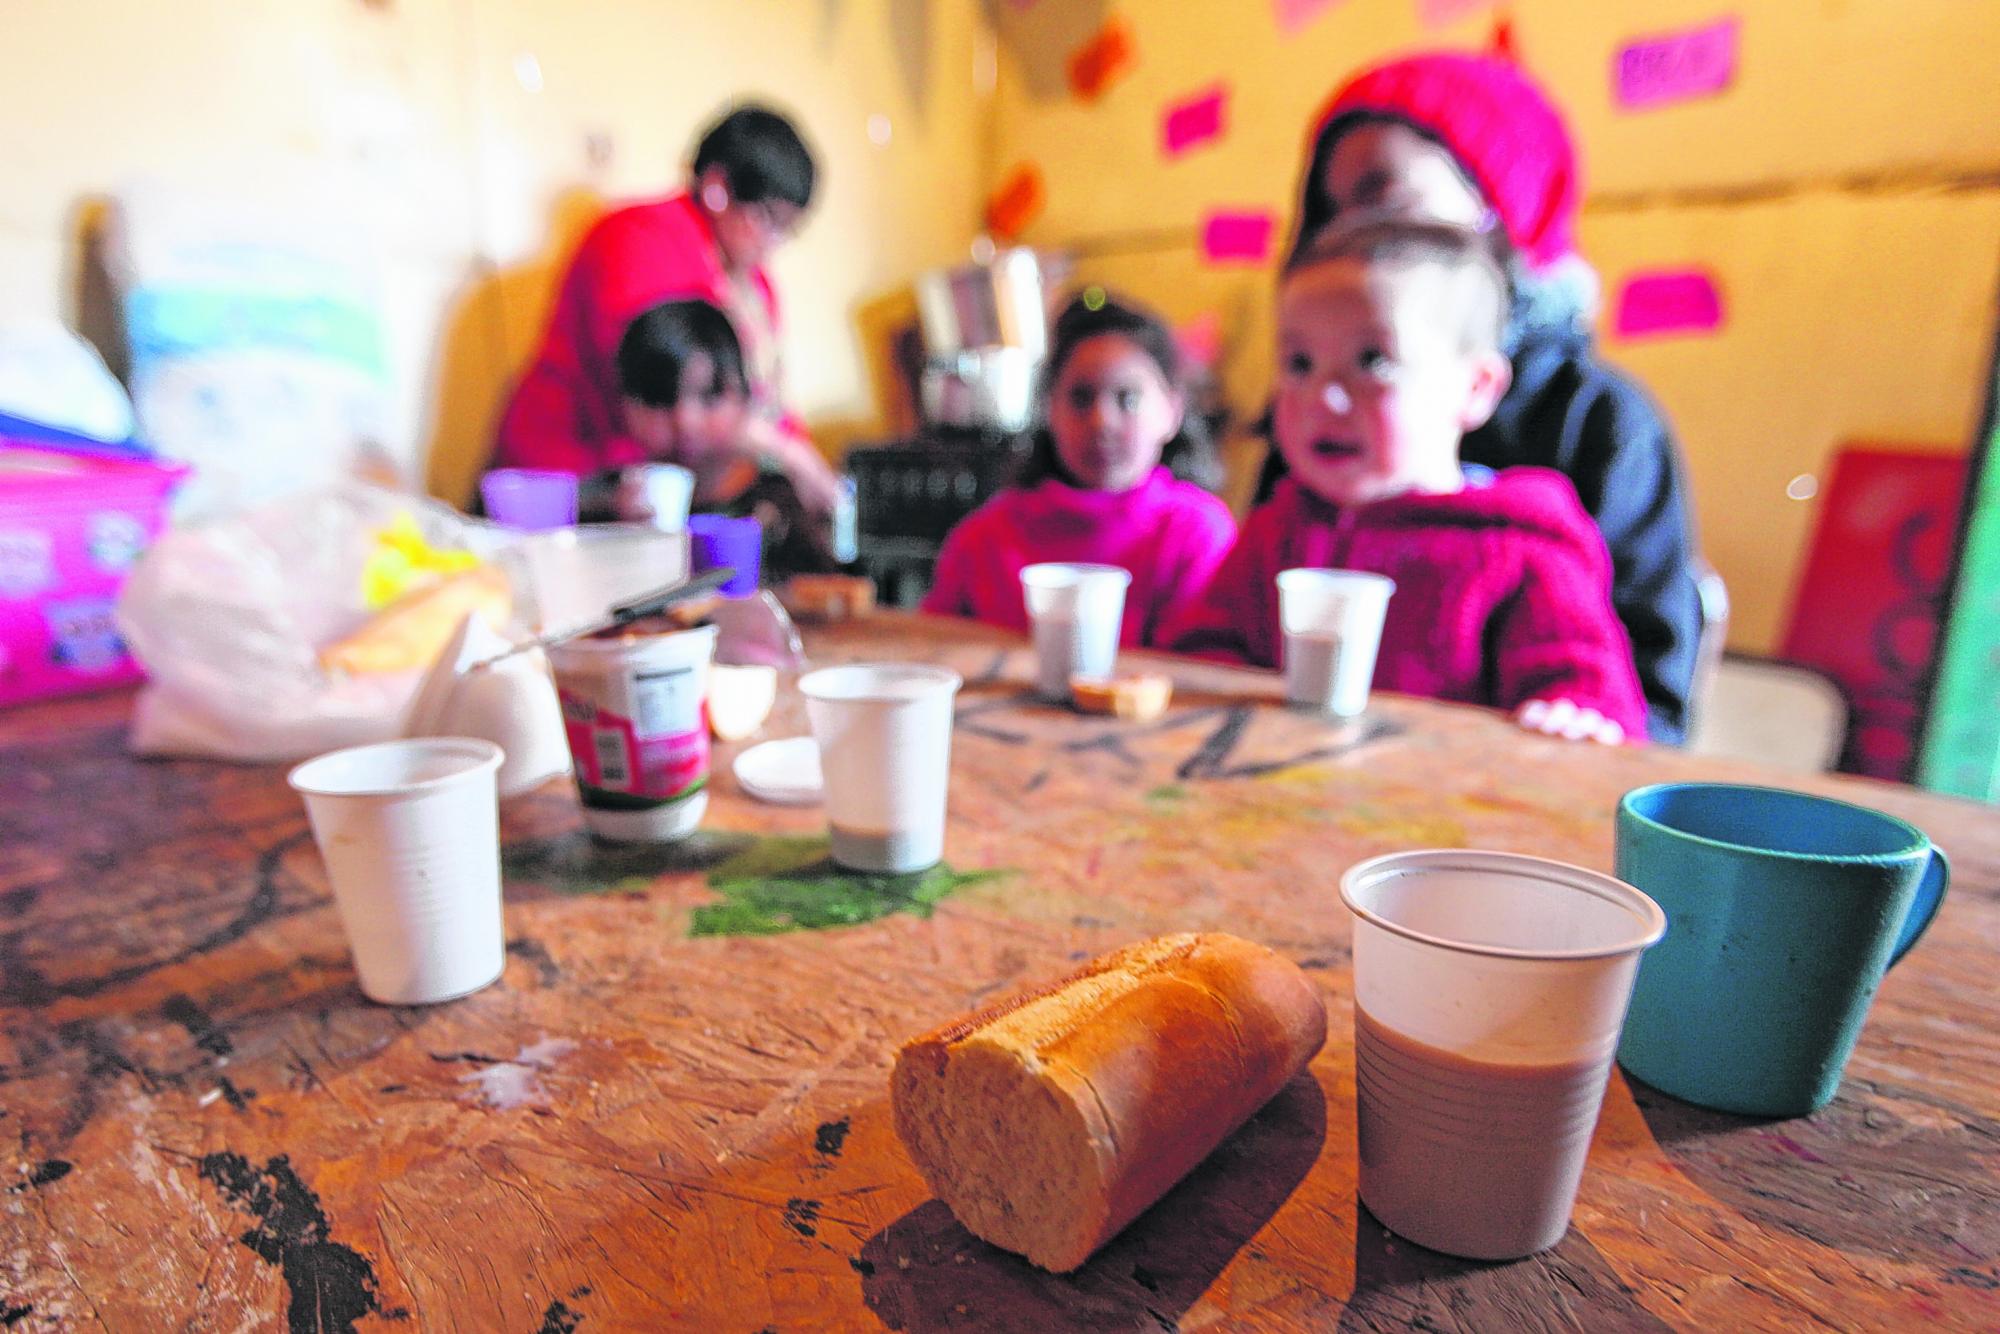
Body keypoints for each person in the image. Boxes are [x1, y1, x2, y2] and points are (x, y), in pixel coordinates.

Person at [1266, 52, 1703, 743]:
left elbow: (1646, 704)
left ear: (1500, 210)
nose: (1352, 231)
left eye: (1385, 197)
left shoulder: (1600, 426)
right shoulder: (1314, 423)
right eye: (1331, 210)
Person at [1167, 219, 1647, 744]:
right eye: (1299, 364)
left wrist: (1573, 715)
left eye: (1372, 361)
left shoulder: (1521, 546)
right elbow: (1204, 655)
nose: (1323, 397)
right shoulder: (1276, 532)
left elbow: (1589, 691)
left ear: (1476, 388)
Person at [491, 102, 840, 516]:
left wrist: (808, 465)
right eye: (768, 219)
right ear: (717, 189)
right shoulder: (637, 238)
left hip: (651, 490)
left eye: (788, 229)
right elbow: (664, 382)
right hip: (568, 481)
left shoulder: (754, 285)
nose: (775, 242)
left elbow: (762, 402)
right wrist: (786, 453)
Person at [922, 292, 1237, 648]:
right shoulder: (985, 540)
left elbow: (1201, 664)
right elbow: (931, 649)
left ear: (1172, 411)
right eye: (1081, 397)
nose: (1102, 422)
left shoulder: (1197, 534)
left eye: (1128, 398)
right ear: (1050, 409)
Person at [597, 298, 836, 580]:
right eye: (659, 399)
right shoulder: (608, 505)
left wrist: (792, 455)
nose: (685, 421)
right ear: (624, 405)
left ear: (746, 396)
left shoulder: (781, 496)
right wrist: (627, 540)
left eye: (709, 396)